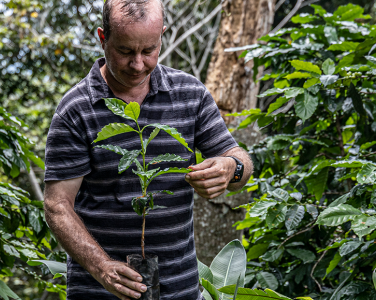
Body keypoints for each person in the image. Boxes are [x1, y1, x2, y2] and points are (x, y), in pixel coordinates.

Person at [43, 0, 253, 299]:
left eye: (149, 50)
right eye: (126, 51)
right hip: (100, 292)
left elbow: (238, 156)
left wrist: (232, 168)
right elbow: (57, 205)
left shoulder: (190, 94)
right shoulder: (76, 109)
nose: (138, 64)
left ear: (162, 36)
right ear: (103, 38)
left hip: (180, 289)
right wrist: (102, 267)